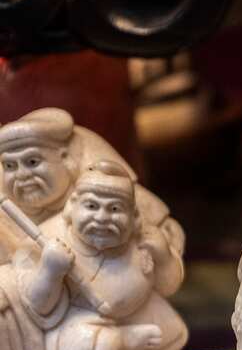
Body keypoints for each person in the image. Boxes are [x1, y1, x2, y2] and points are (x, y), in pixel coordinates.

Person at [0, 161, 183, 350]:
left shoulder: (145, 240)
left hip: (134, 314)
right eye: (91, 207)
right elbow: (37, 306)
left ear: (134, 216)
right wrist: (50, 270)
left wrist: (163, 256)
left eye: (115, 209)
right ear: (71, 207)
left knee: (162, 334)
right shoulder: (48, 238)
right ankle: (123, 343)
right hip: (65, 326)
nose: (102, 217)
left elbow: (168, 286)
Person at [0, 108, 181, 260]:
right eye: (10, 165)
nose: (22, 175)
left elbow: (158, 228)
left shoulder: (102, 183)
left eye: (32, 162)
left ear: (65, 157)